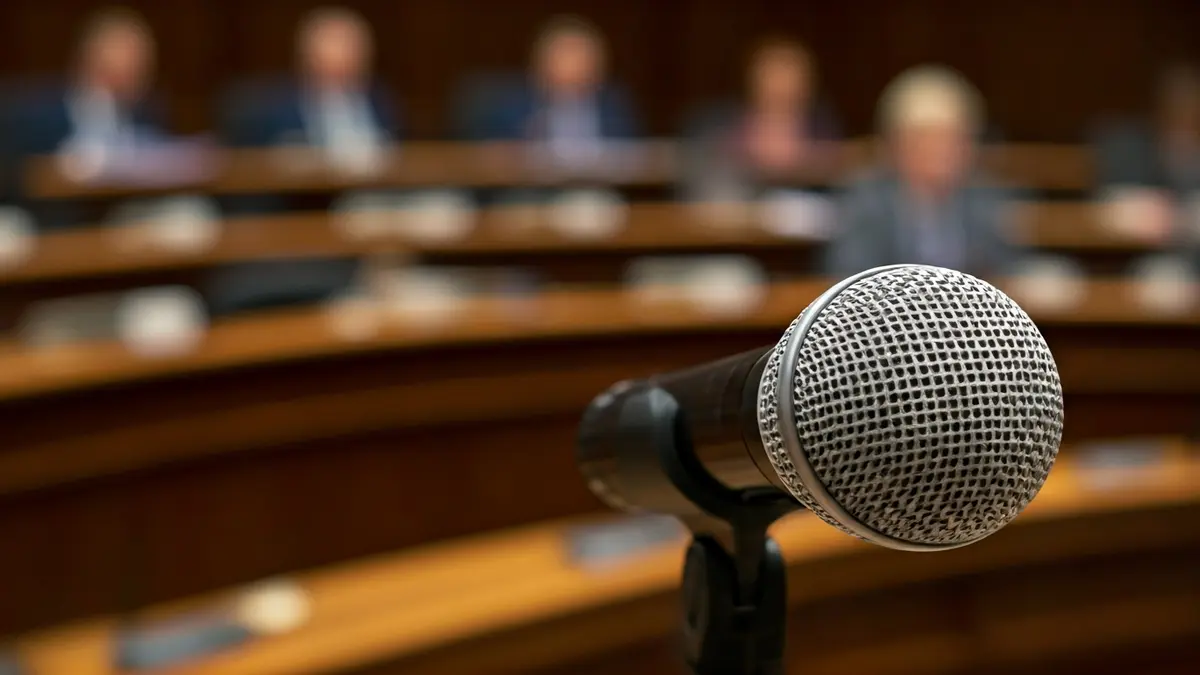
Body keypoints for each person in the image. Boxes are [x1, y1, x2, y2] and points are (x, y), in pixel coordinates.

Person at [827, 66, 1017, 279]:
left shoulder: (987, 198)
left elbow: (1011, 269)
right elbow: (848, 274)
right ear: (897, 145)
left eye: (953, 140)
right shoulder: (866, 199)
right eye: (928, 140)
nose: (942, 151)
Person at [5, 8, 166, 227]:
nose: (136, 71)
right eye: (126, 57)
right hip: (49, 225)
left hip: (125, 221)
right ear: (90, 58)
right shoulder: (35, 113)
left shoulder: (148, 112)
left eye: (141, 63)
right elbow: (16, 179)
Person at [221, 6, 400, 159]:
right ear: (307, 61)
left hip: (374, 195)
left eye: (352, 56)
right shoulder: (270, 109)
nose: (343, 67)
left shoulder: (381, 100)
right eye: (331, 62)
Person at [682, 37, 840, 199]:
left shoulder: (823, 130)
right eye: (773, 73)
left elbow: (834, 178)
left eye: (790, 73)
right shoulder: (717, 125)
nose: (781, 86)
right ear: (753, 78)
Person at [468, 15, 640, 155]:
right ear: (541, 64)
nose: (574, 69)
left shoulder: (615, 109)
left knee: (589, 198)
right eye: (564, 58)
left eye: (582, 59)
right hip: (524, 191)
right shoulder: (510, 107)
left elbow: (634, 156)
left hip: (591, 189)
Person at [1092, 65, 1200, 249]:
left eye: (1191, 108)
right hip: (1140, 254)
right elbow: (1109, 208)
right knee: (1162, 273)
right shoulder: (1128, 145)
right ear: (1160, 109)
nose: (1183, 113)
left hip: (1192, 253)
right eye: (1176, 105)